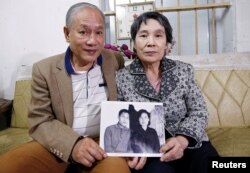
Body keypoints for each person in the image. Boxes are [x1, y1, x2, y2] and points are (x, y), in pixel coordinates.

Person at [0, 2, 130, 173]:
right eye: (83, 32)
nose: (92, 41)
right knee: (9, 165)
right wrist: (74, 144)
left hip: (105, 144)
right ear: (67, 33)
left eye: (99, 32)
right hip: (62, 140)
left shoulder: (113, 60)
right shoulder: (44, 69)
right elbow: (40, 120)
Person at [115, 11, 219, 173]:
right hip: (150, 151)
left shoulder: (183, 70)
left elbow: (199, 111)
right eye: (143, 35)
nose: (151, 42)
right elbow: (121, 120)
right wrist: (134, 148)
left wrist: (182, 140)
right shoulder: (121, 78)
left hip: (189, 143)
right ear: (134, 43)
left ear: (167, 43)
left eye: (158, 36)